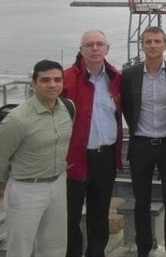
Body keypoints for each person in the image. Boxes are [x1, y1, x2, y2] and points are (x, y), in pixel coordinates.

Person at [0, 60, 72, 257]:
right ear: (34, 84)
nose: (52, 85)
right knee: (21, 247)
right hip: (26, 189)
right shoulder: (17, 120)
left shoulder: (67, 109)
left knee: (55, 246)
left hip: (58, 184)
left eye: (57, 80)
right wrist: (14, 180)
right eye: (45, 80)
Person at [121, 27, 166, 257]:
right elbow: (128, 108)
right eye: (148, 41)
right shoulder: (129, 75)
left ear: (165, 45)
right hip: (140, 144)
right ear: (142, 45)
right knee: (141, 203)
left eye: (157, 41)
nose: (152, 45)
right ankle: (143, 249)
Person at [63, 29, 124, 257]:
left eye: (100, 44)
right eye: (89, 45)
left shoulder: (116, 79)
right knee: (71, 216)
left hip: (104, 157)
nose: (95, 48)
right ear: (81, 50)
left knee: (100, 215)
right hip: (75, 158)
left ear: (107, 49)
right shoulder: (66, 78)